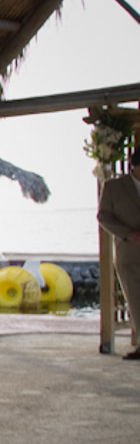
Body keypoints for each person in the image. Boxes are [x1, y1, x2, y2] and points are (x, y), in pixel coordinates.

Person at [98, 145, 140, 360]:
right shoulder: (113, 187)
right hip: (129, 252)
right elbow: (103, 216)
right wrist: (127, 233)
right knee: (135, 300)